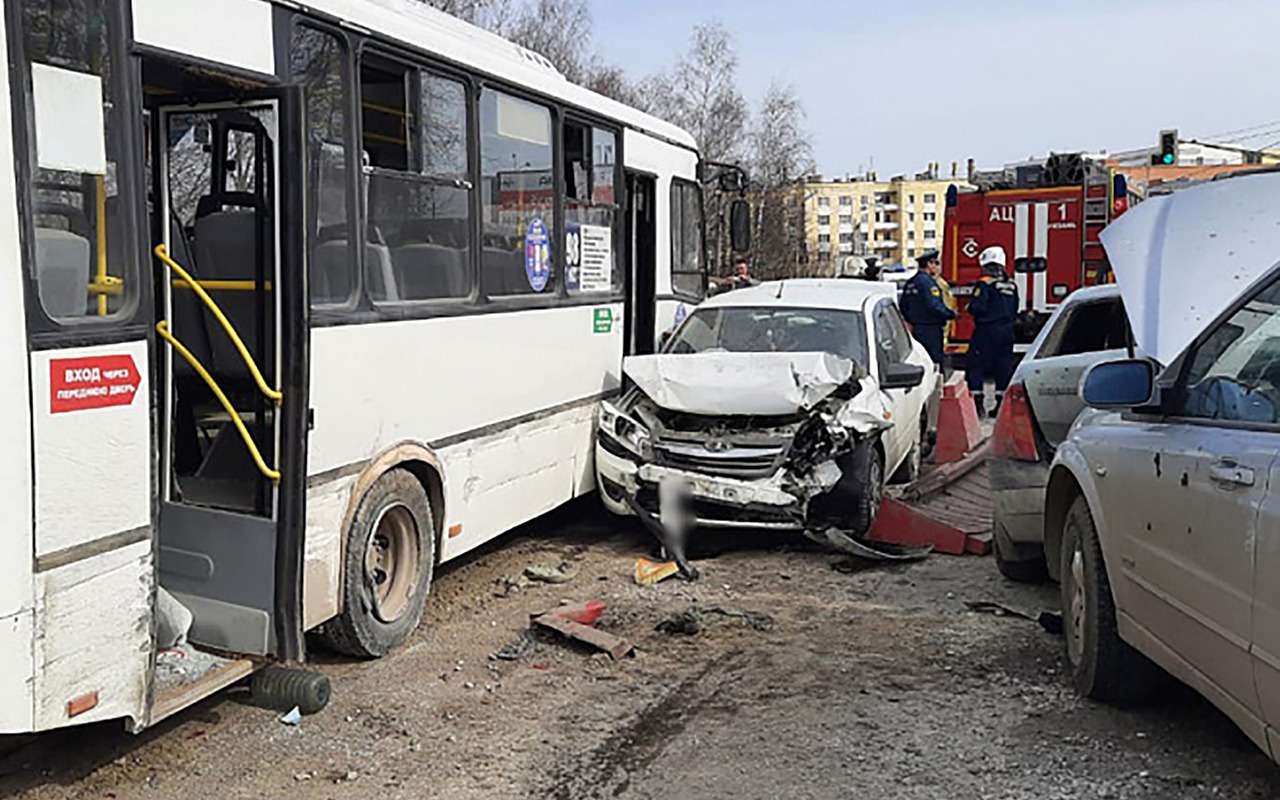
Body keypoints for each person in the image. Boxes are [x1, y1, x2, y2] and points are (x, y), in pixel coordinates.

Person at [966, 245, 1019, 416]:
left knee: (976, 365)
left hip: (986, 332)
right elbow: (1015, 308)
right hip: (1007, 332)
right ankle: (1000, 406)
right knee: (1003, 367)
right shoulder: (1012, 285)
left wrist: (970, 306)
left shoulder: (984, 285)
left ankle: (978, 405)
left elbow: (977, 308)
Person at [899, 249, 955, 367]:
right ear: (929, 264)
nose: (937, 267)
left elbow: (903, 306)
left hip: (916, 328)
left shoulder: (911, 282)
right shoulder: (928, 283)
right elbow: (934, 305)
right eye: (936, 263)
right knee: (933, 362)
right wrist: (951, 314)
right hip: (930, 329)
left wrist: (911, 320)